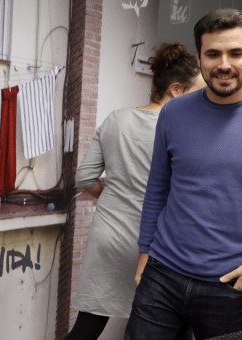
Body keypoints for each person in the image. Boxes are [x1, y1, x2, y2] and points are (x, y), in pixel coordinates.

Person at [125, 8, 242, 339]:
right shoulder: (174, 113)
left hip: (231, 284)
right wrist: (145, 251)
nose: (224, 64)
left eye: (235, 52)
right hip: (162, 276)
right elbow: (157, 189)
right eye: (213, 53)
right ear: (199, 57)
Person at [67, 42, 206, 340]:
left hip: (109, 239)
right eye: (198, 92)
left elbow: (84, 178)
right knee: (175, 329)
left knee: (87, 328)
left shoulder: (116, 118)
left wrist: (116, 193)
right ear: (177, 90)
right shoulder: (184, 131)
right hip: (159, 247)